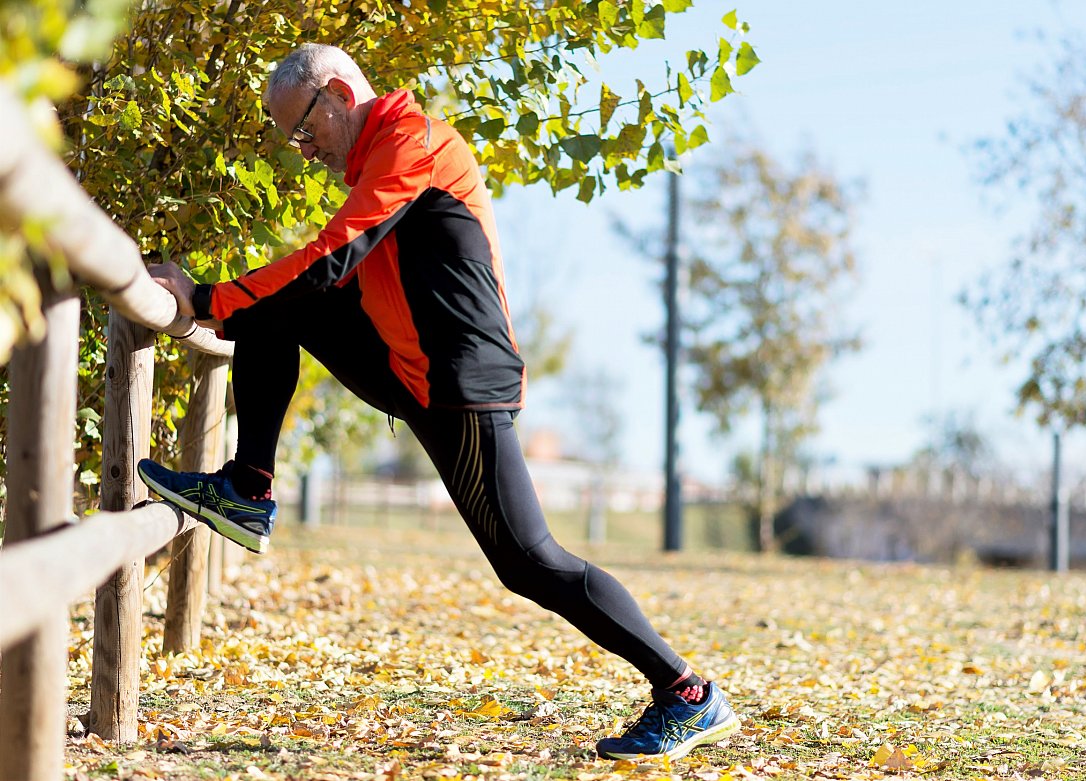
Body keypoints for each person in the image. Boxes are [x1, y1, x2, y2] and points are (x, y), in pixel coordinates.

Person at [139, 43, 739, 761]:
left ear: (336, 91)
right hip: (409, 365)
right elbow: (326, 281)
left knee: (528, 559)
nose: (304, 151)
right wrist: (224, 304)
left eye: (304, 130)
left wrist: (203, 301)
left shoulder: (411, 142)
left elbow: (335, 255)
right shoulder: (375, 160)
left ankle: (687, 692)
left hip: (460, 381)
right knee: (278, 307)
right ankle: (246, 487)